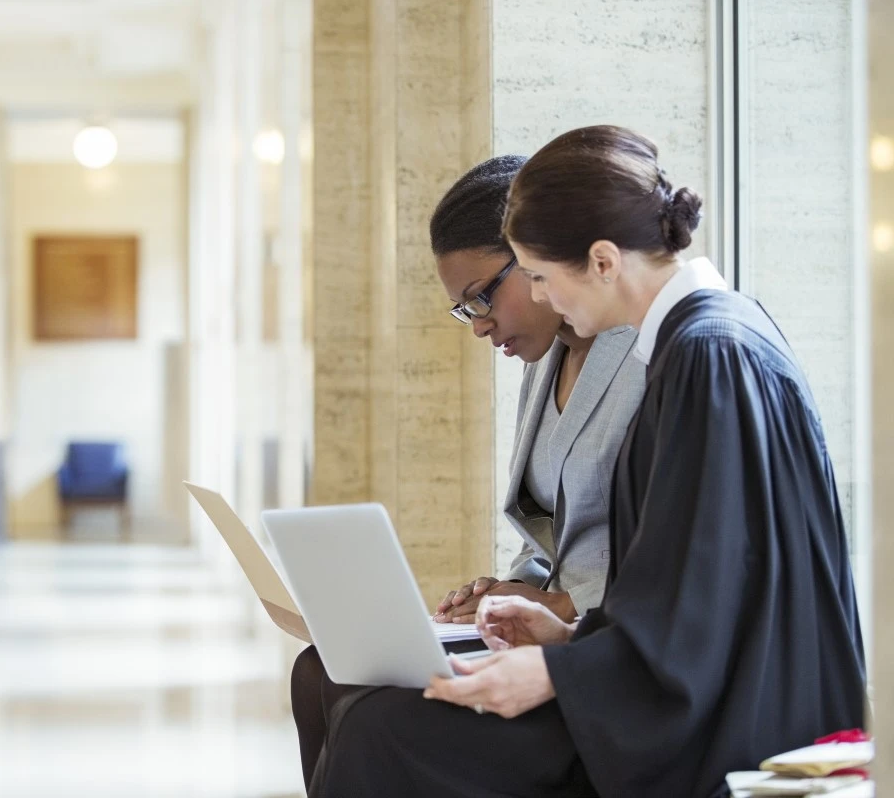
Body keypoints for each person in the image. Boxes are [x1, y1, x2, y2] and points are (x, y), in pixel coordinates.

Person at [308, 125, 868, 798]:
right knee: (370, 714)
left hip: (722, 722)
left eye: (540, 277)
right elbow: (683, 586)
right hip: (680, 692)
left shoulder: (709, 357)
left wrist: (558, 672)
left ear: (603, 261)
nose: (543, 300)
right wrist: (571, 637)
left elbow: (702, 607)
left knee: (385, 733)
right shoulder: (703, 343)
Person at [289, 155, 647, 788]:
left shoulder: (655, 357)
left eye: (483, 297)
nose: (480, 324)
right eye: (464, 309)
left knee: (378, 723)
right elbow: (561, 530)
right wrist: (508, 591)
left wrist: (560, 604)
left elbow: (667, 563)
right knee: (322, 669)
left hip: (604, 658)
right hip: (549, 629)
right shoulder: (545, 357)